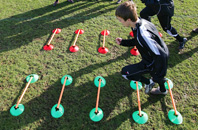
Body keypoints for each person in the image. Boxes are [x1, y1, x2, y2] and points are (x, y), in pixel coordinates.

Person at [115, 1, 169, 95]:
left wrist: (159, 73)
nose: (120, 22)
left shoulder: (143, 35)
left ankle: (151, 83)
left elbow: (161, 54)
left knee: (125, 73)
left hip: (154, 61)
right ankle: (161, 86)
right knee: (155, 74)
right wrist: (123, 42)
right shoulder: (139, 22)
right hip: (153, 56)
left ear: (128, 19)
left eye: (120, 20)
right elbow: (138, 41)